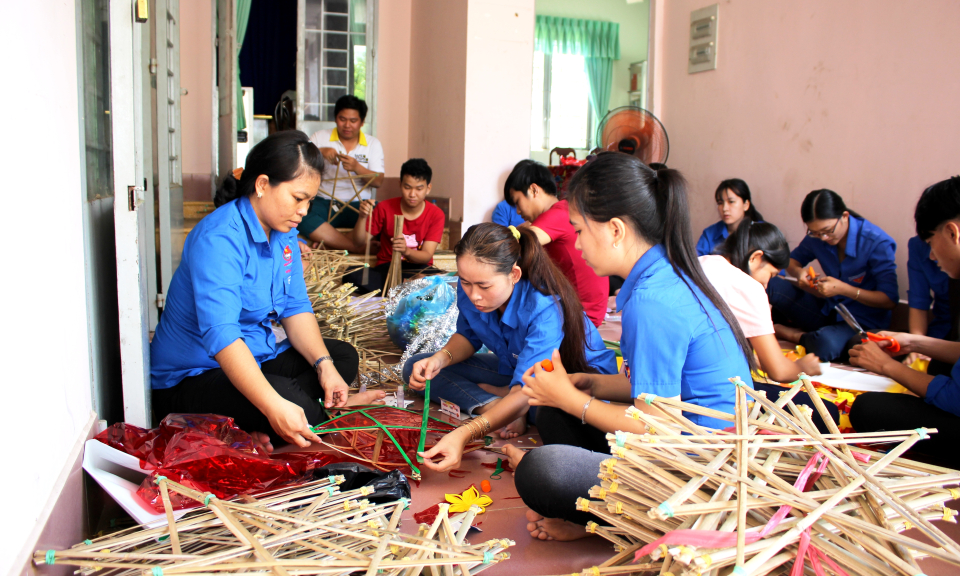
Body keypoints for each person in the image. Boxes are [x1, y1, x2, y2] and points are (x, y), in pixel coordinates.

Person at [434, 154, 753, 542]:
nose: (578, 244)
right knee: (549, 412)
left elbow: (658, 426)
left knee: (542, 472)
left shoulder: (652, 301)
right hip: (676, 443)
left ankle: (608, 521)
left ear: (615, 230)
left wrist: (574, 399)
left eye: (580, 230)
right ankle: (596, 504)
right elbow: (660, 390)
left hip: (694, 474)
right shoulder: (656, 278)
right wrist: (592, 385)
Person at [150, 131, 384, 451]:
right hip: (195, 376)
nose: (303, 210)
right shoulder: (219, 238)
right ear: (262, 185)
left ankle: (259, 425)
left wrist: (324, 366)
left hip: (254, 357)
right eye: (297, 198)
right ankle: (306, 414)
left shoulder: (283, 230)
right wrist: (274, 405)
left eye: (309, 201)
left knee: (341, 357)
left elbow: (295, 307)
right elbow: (222, 337)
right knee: (284, 398)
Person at [403, 222, 617, 442]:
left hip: (570, 384)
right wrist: (440, 359)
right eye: (465, 282)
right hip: (518, 370)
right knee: (418, 368)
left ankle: (510, 405)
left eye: (484, 287)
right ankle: (497, 406)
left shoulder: (543, 307)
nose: (474, 295)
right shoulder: (472, 289)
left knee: (552, 412)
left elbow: (533, 386)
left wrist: (466, 433)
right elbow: (468, 336)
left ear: (514, 274)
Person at [849, 176, 960, 469]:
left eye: (931, 243)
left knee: (868, 409)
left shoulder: (874, 240)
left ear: (953, 233)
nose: (932, 256)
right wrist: (912, 341)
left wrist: (887, 367)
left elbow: (955, 398)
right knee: (937, 366)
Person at [702, 219, 840, 432]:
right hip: (715, 397)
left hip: (676, 385)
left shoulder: (702, 262)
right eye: (771, 275)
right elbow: (780, 372)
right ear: (756, 258)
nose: (767, 285)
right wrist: (803, 368)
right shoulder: (748, 287)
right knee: (826, 413)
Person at [768, 189, 898, 362]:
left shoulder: (876, 242)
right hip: (828, 310)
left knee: (824, 344)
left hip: (862, 322)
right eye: (815, 232)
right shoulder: (818, 237)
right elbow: (791, 261)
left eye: (827, 230)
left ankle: (793, 334)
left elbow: (889, 300)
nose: (823, 237)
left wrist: (845, 290)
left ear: (844, 216)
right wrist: (799, 272)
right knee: (772, 284)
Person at [504, 159, 609, 327]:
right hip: (587, 311)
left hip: (580, 316)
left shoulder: (556, 215)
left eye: (517, 202)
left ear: (534, 189)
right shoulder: (565, 209)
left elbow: (512, 248)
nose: (518, 211)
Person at [345, 158, 445, 294]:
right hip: (388, 268)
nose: (412, 194)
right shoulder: (384, 207)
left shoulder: (436, 214)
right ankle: (407, 287)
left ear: (428, 188)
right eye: (407, 187)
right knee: (351, 274)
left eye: (419, 189)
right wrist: (363, 217)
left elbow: (426, 255)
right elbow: (358, 242)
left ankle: (402, 287)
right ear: (400, 184)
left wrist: (407, 251)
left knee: (442, 281)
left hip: (419, 269)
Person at [300, 95, 385, 250]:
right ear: (335, 118)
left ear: (362, 121)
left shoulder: (373, 144)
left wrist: (357, 167)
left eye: (353, 121)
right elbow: (300, 163)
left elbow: (378, 182)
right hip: (324, 203)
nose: (347, 125)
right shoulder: (319, 137)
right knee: (302, 214)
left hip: (361, 205)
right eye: (342, 119)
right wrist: (319, 152)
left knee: (383, 213)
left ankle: (330, 244)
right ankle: (354, 247)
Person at [696, 178, 763, 256]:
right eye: (720, 203)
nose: (724, 208)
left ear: (746, 205)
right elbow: (696, 263)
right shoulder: (709, 234)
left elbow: (776, 266)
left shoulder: (764, 233)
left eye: (731, 202)